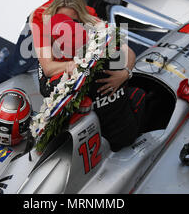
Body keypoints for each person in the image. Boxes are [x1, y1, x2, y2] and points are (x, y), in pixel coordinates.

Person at [0, 0, 130, 107]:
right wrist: (76, 64)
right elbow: (48, 67)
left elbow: (125, 49)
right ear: (53, 16)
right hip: (36, 33)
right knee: (18, 64)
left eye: (72, 21)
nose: (65, 27)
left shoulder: (90, 19)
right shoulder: (41, 20)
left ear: (81, 17)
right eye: (60, 21)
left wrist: (125, 73)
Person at [37, 11, 150, 152]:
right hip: (124, 133)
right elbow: (129, 51)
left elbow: (46, 77)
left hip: (92, 143)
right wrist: (125, 73)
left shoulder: (61, 84)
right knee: (138, 94)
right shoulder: (107, 53)